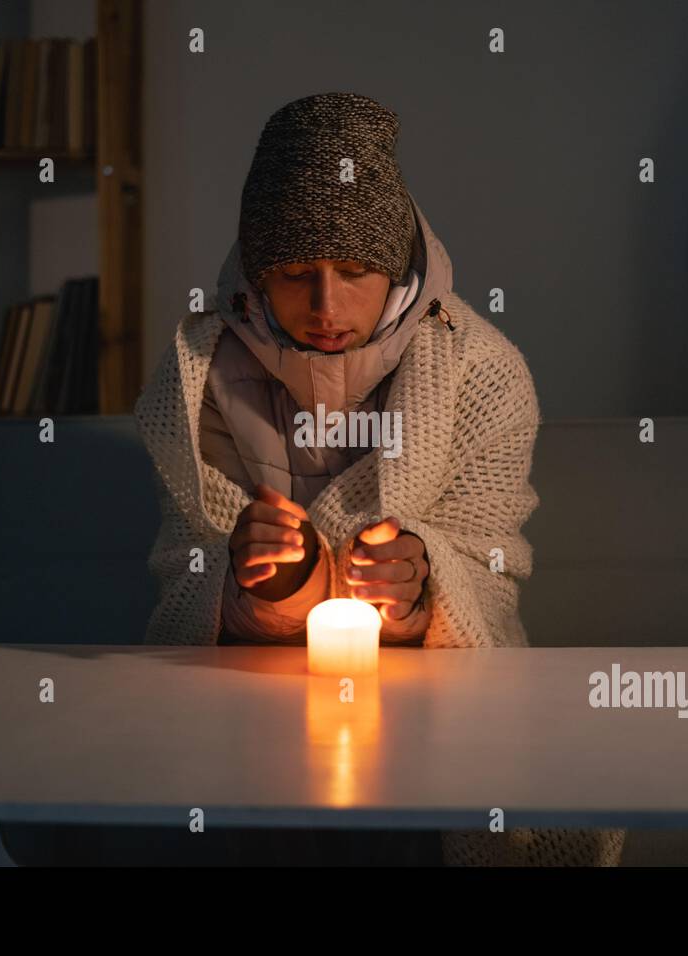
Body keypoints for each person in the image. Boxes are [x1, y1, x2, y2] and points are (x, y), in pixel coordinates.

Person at [133, 91, 623, 866]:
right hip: (244, 703)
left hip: (430, 705)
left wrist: (420, 592)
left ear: (397, 267)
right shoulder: (195, 377)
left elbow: (488, 568)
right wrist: (270, 584)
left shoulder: (480, 371)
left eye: (356, 271)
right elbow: (185, 572)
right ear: (257, 275)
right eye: (295, 273)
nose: (326, 306)